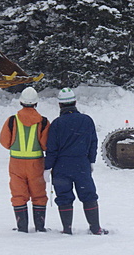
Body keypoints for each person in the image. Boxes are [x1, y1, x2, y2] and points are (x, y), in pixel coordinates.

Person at [44, 87, 108, 235]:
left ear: (60, 105)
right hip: (82, 165)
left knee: (64, 197)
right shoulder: (87, 120)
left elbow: (51, 149)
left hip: (61, 167)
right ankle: (95, 228)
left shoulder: (56, 124)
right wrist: (91, 161)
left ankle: (67, 229)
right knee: (88, 195)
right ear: (75, 102)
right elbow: (93, 142)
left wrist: (47, 168)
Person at [0, 86, 50, 233]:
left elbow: (4, 141)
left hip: (16, 164)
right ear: (36, 103)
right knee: (39, 195)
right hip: (36, 164)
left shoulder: (12, 121)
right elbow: (46, 145)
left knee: (18, 195)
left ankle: (22, 227)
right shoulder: (44, 122)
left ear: (21, 102)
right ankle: (40, 227)